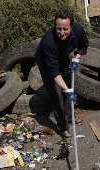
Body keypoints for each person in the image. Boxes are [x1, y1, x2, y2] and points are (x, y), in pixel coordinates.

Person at [34, 9, 89, 137]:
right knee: (56, 95)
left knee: (69, 87)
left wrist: (77, 57)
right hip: (46, 62)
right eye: (58, 29)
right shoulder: (48, 41)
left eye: (65, 29)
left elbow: (84, 45)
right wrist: (66, 90)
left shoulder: (78, 30)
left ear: (71, 27)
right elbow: (53, 71)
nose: (61, 32)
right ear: (55, 26)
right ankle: (62, 125)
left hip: (63, 56)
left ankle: (70, 118)